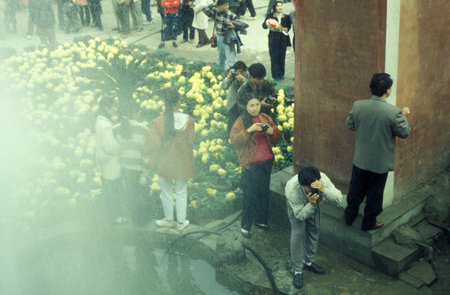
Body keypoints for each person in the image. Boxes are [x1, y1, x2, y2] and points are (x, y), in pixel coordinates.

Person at [344, 73, 411, 231]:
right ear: (388, 91)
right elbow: (405, 132)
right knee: (375, 194)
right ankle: (368, 222)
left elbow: (350, 125)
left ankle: (349, 216)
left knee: (355, 191)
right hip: (379, 163)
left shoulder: (358, 105)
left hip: (360, 159)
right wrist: (404, 116)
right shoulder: (394, 113)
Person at [143, 89, 195, 231]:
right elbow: (191, 141)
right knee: (181, 192)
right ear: (178, 101)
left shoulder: (158, 121)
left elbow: (151, 143)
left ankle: (168, 219)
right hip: (182, 162)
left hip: (164, 162)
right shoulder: (188, 120)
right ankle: (181, 222)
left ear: (164, 102)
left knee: (166, 191)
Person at [230, 95, 281, 238]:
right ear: (246, 107)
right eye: (251, 105)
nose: (255, 108)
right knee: (249, 195)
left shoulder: (265, 118)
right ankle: (246, 226)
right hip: (250, 164)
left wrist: (272, 132)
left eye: (257, 105)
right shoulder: (241, 121)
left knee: (263, 192)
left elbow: (277, 137)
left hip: (266, 161)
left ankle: (261, 221)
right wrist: (249, 130)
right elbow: (234, 140)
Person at [285, 166, 342, 289]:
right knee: (298, 234)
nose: (313, 190)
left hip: (315, 204)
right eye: (309, 188)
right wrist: (311, 205)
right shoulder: (292, 190)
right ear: (302, 185)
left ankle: (308, 262)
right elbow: (300, 215)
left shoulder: (322, 180)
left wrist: (324, 190)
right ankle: (297, 270)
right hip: (298, 207)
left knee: (314, 229)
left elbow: (338, 199)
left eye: (315, 187)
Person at [113, 101, 152, 227]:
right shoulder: (142, 128)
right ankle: (143, 224)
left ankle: (134, 221)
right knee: (142, 196)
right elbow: (147, 150)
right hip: (139, 168)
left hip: (124, 168)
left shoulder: (116, 129)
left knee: (130, 195)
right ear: (137, 113)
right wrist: (146, 170)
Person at [95, 96, 123, 223]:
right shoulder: (106, 125)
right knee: (113, 192)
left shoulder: (99, 122)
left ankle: (108, 218)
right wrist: (121, 145)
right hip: (111, 163)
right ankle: (115, 218)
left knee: (107, 191)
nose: (115, 108)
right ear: (107, 107)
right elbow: (111, 146)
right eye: (114, 106)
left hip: (105, 163)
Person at [203, 0, 238, 71]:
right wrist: (214, 4)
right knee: (221, 58)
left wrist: (235, 26)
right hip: (219, 38)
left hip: (228, 38)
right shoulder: (215, 12)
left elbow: (239, 25)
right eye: (225, 5)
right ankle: (222, 72)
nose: (227, 6)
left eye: (228, 5)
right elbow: (204, 10)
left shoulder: (231, 14)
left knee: (231, 58)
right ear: (220, 6)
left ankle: (233, 74)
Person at [263, 1, 291, 80]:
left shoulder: (286, 16)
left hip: (283, 39)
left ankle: (281, 74)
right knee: (274, 56)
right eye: (278, 6)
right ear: (274, 7)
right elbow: (264, 26)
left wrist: (286, 29)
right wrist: (269, 20)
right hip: (273, 39)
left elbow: (289, 26)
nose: (280, 7)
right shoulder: (270, 16)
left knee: (282, 56)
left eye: (281, 6)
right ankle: (275, 75)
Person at [222, 60, 248, 136]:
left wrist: (243, 80)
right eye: (237, 72)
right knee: (231, 122)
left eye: (240, 72)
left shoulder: (249, 75)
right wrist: (228, 79)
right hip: (233, 102)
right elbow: (223, 87)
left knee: (243, 123)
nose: (238, 74)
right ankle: (229, 139)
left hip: (244, 103)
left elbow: (251, 86)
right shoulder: (233, 74)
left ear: (245, 70)